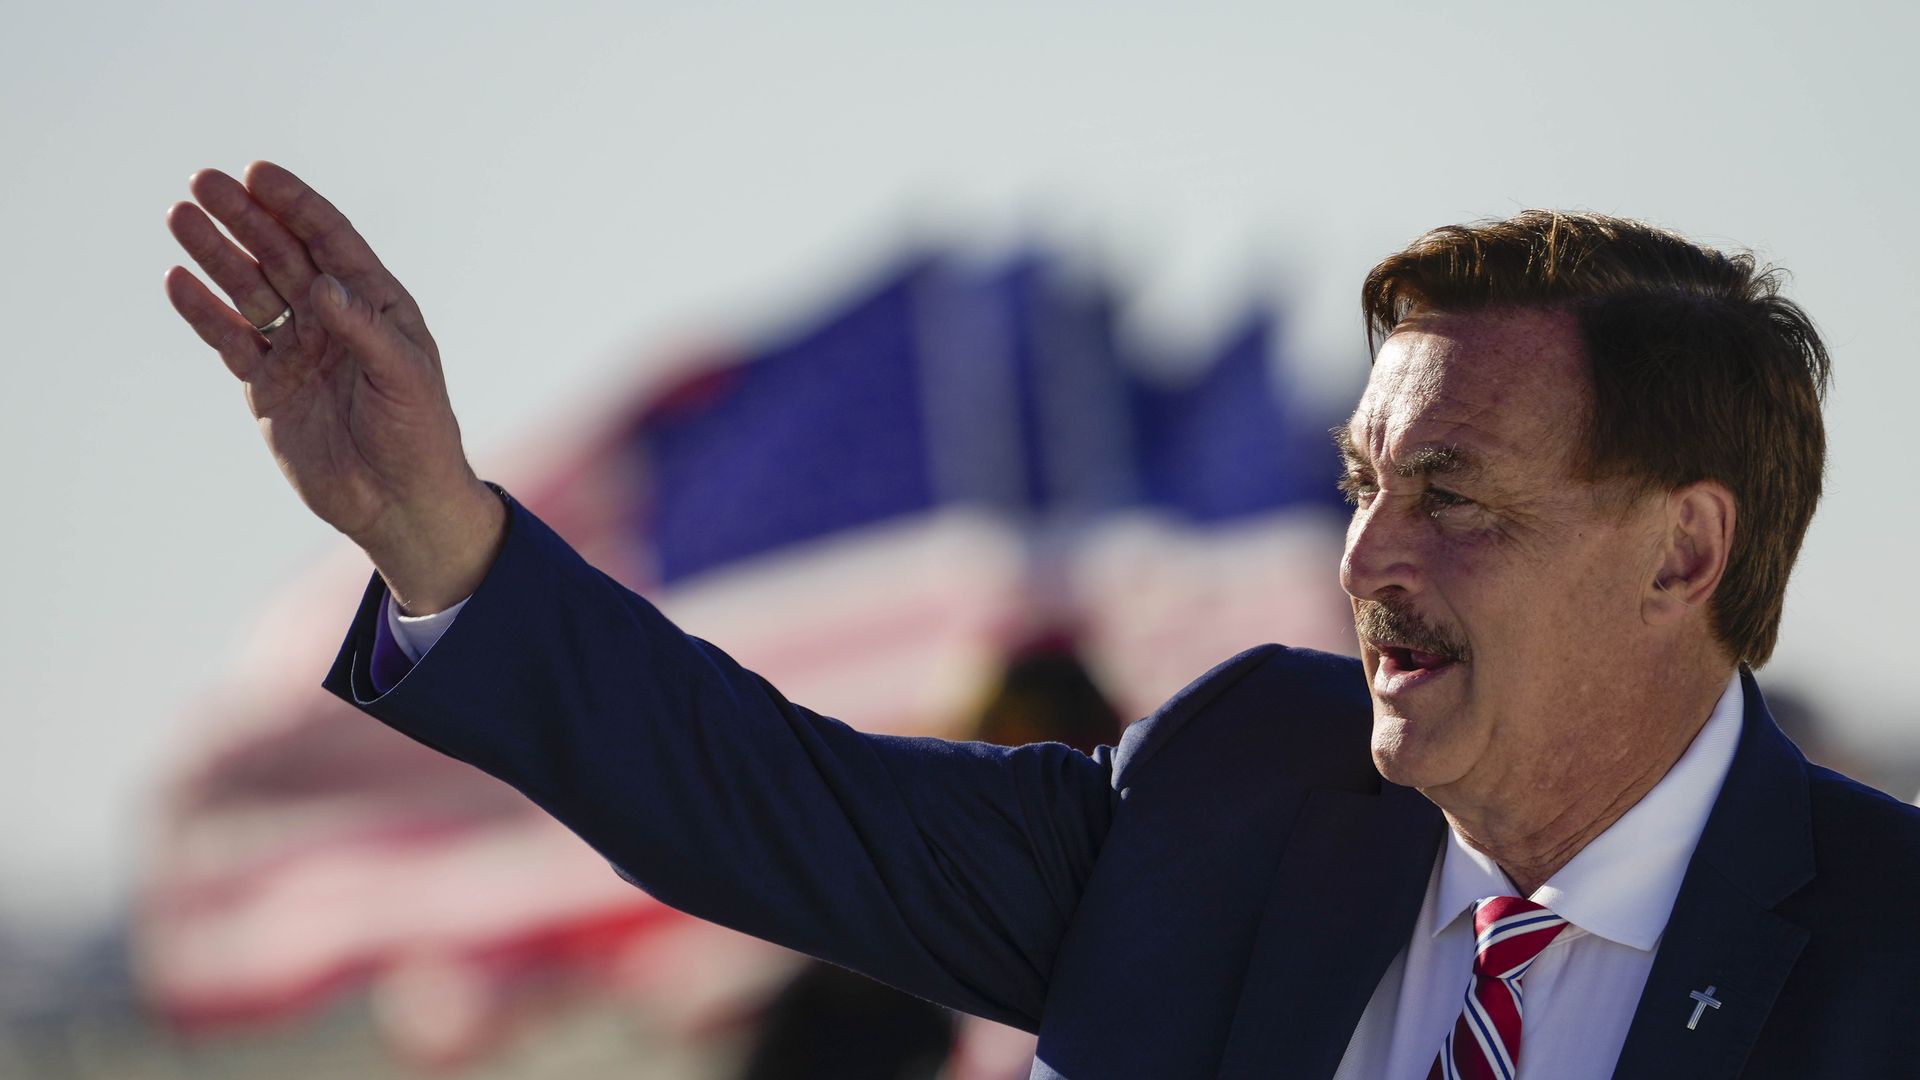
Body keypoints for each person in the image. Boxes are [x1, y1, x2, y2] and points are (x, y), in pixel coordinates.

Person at [166, 162, 1920, 1078]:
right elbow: (766, 802)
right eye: (1361, 484)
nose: (1370, 556)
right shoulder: (1238, 798)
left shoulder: (1889, 954)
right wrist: (437, 535)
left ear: (1685, 553)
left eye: (1452, 494)